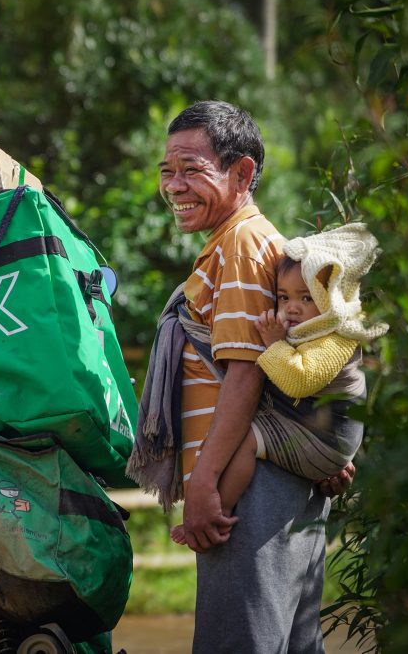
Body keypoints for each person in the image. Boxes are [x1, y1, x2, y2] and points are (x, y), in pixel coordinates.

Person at [127, 100, 354, 653]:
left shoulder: (244, 244)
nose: (174, 186)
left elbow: (247, 372)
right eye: (167, 171)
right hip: (263, 481)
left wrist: (205, 483)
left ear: (242, 173)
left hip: (249, 489)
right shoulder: (230, 245)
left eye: (191, 170)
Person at [169, 223, 387, 547]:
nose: (292, 307)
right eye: (283, 297)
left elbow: (299, 380)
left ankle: (215, 511)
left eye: (307, 297)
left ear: (333, 299)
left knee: (243, 438)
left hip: (325, 441)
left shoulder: (338, 337)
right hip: (318, 434)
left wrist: (273, 345)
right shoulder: (309, 329)